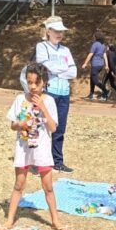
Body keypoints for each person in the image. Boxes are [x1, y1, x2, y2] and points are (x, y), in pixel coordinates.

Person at [3, 62, 61, 230]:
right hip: (23, 147)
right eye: (30, 82)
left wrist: (43, 108)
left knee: (48, 186)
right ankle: (9, 220)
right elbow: (12, 124)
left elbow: (53, 128)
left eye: (37, 82)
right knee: (19, 184)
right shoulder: (20, 99)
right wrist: (20, 124)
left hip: (41, 148)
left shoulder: (49, 101)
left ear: (44, 82)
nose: (33, 87)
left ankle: (55, 221)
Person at [33, 16, 77, 172]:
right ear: (48, 31)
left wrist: (58, 69)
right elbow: (45, 65)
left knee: (60, 129)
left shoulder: (66, 50)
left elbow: (73, 72)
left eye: (62, 31)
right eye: (56, 30)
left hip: (64, 93)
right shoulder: (42, 47)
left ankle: (57, 161)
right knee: (41, 127)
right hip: (49, 92)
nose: (60, 34)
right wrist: (62, 69)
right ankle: (37, 162)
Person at [82, 30, 109, 101]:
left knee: (95, 81)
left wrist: (85, 63)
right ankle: (91, 94)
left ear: (96, 37)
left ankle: (106, 91)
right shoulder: (103, 45)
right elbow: (105, 55)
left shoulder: (95, 44)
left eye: (94, 36)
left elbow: (90, 54)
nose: (93, 37)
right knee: (92, 79)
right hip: (101, 65)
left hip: (95, 65)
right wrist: (107, 66)